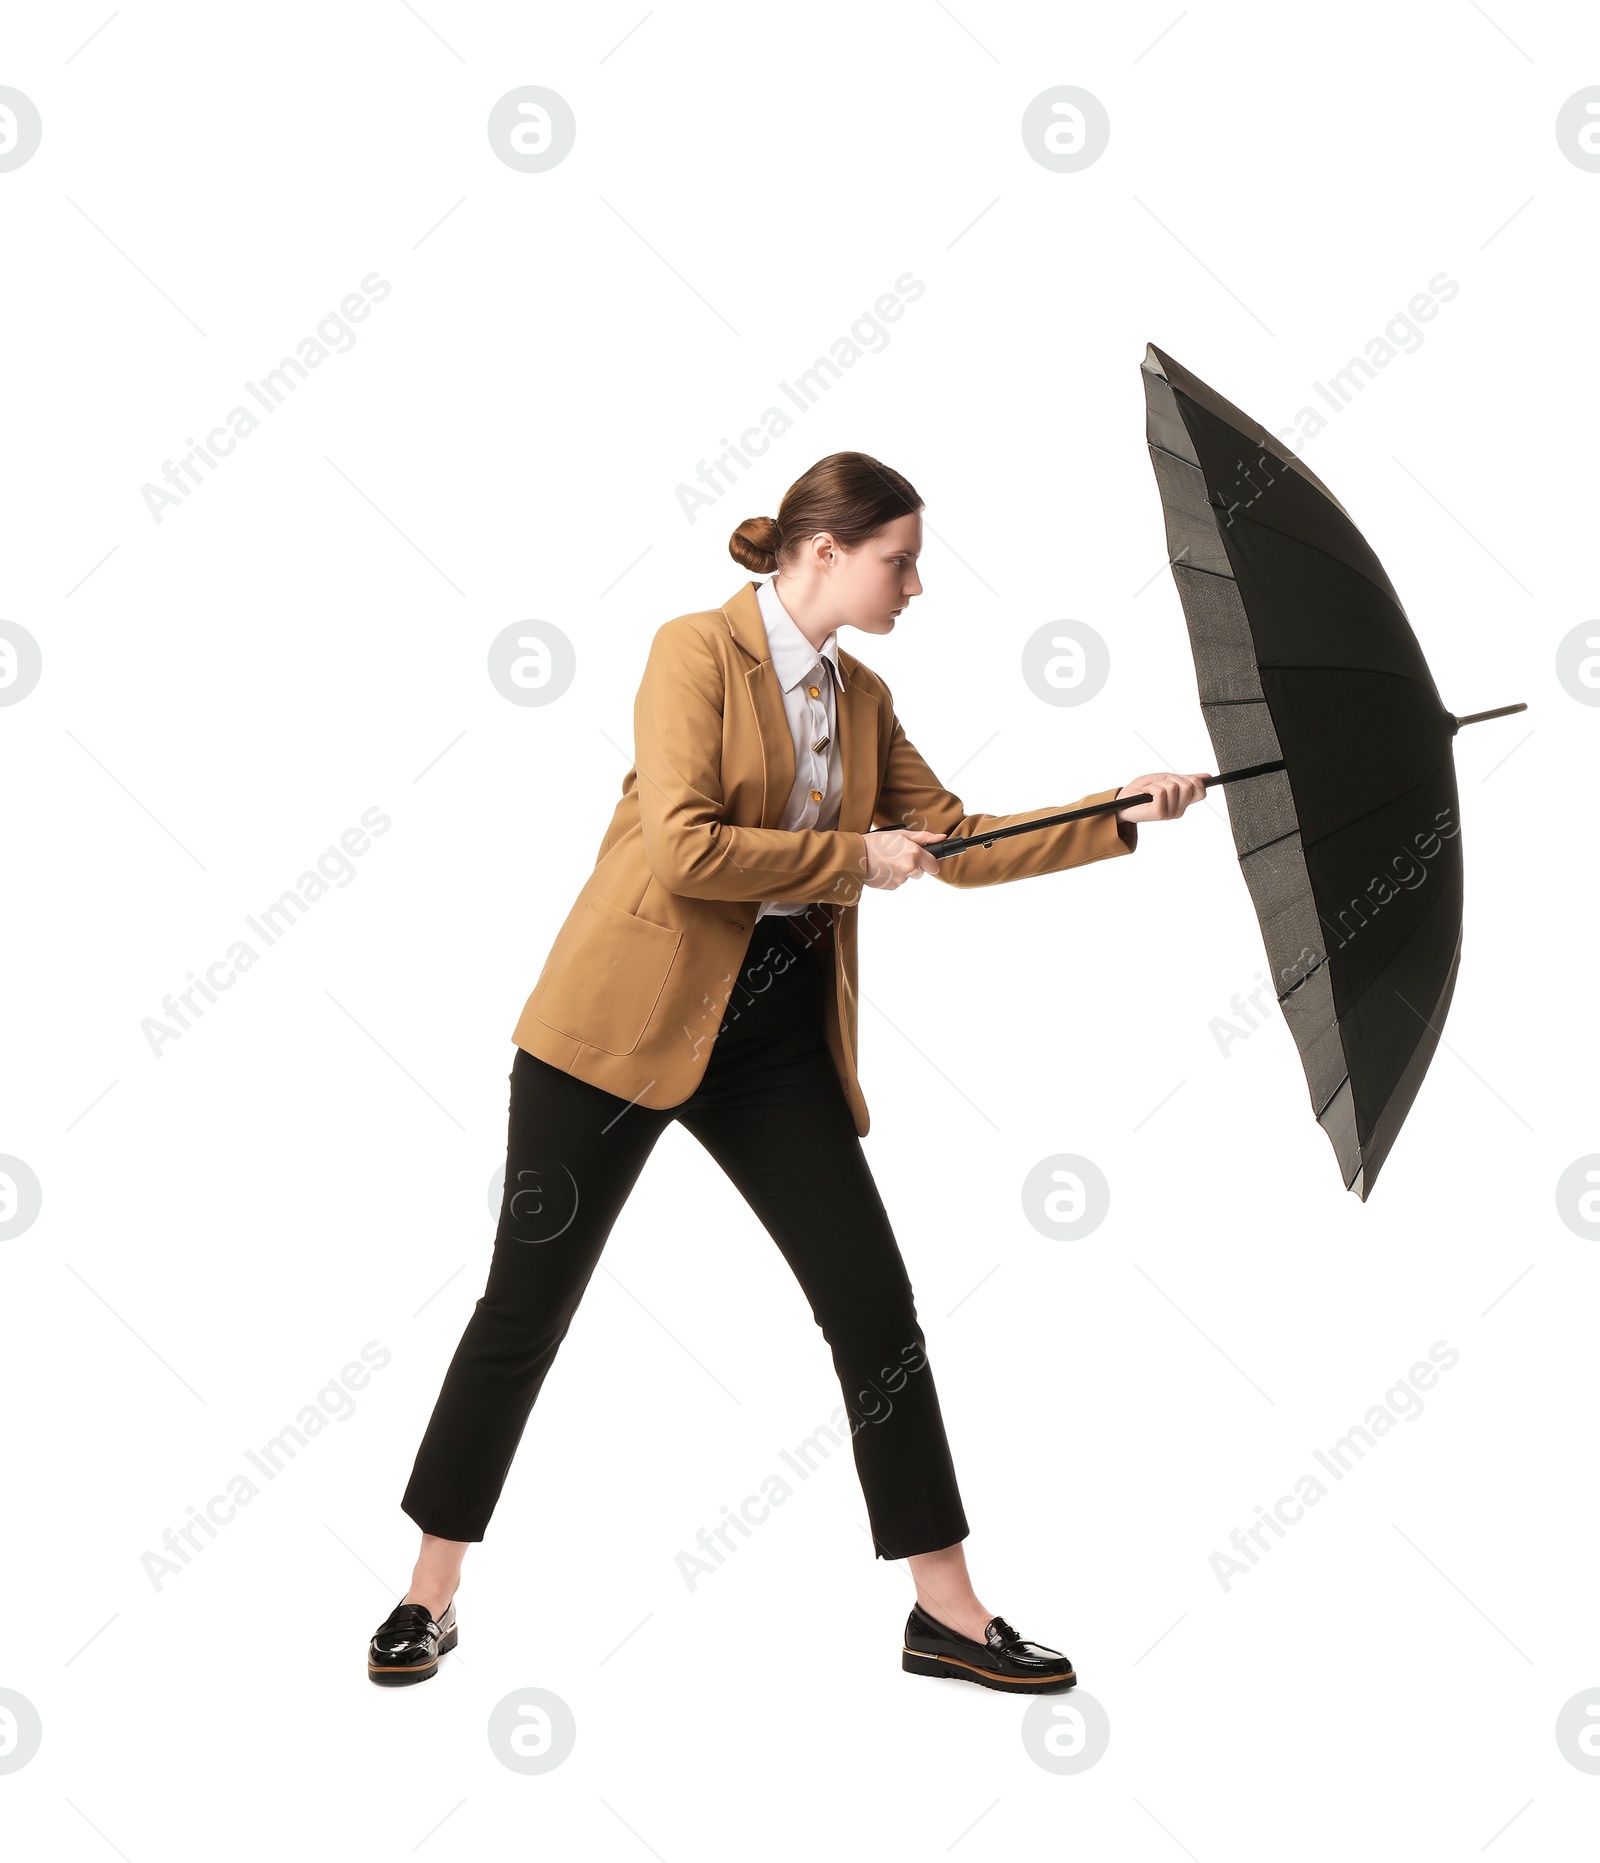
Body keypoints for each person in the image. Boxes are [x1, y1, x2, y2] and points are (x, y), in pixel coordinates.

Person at [367, 451, 1206, 1692]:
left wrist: (1121, 807)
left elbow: (956, 844)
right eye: (898, 559)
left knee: (874, 1308)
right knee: (524, 1310)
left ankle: (948, 1611)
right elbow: (685, 845)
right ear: (823, 552)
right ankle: (426, 1594)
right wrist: (850, 859)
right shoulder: (692, 653)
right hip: (614, 1023)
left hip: (769, 1035)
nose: (916, 583)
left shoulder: (860, 700)